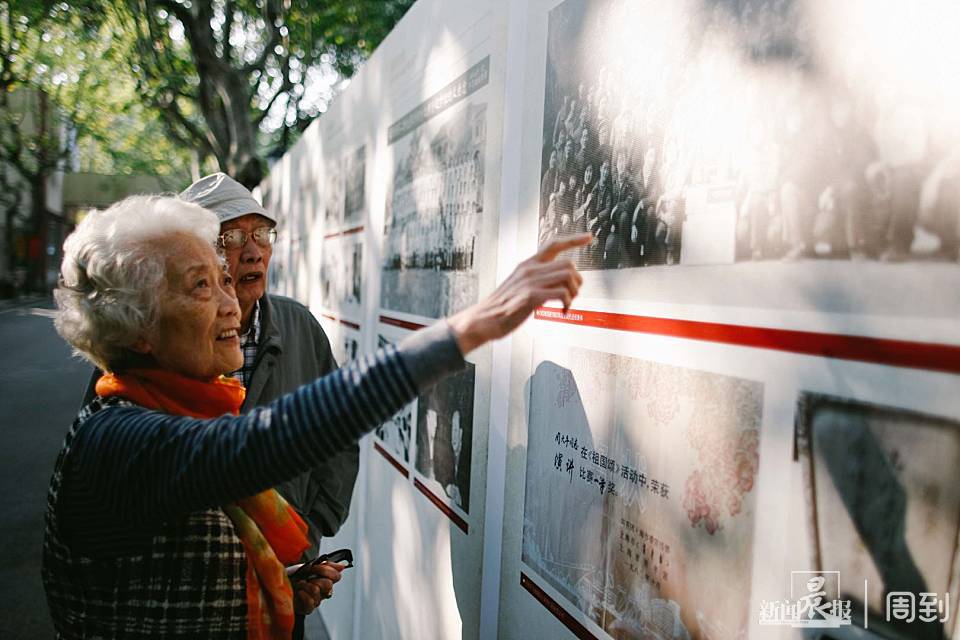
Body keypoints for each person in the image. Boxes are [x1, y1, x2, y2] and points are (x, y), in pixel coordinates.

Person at [45, 194, 588, 638]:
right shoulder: (114, 439)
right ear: (136, 325)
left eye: (224, 279)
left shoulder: (181, 405)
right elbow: (261, 446)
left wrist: (277, 581)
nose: (231, 303)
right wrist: (466, 329)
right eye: (201, 286)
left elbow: (173, 569)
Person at [79, 173, 358, 638]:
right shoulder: (147, 347)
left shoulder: (298, 327)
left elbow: (340, 429)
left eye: (261, 234)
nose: (253, 251)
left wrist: (311, 528)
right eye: (231, 237)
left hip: (282, 581)